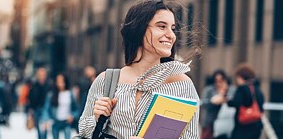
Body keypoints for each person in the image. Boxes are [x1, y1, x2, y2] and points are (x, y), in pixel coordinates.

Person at [78, 0, 201, 138]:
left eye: (172, 29)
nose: (171, 35)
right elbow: (83, 133)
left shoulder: (182, 86)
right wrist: (96, 118)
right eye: (161, 26)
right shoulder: (106, 80)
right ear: (139, 29)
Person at [227, 64, 264, 139]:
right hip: (256, 126)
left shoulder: (242, 88)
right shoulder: (258, 89)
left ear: (240, 77)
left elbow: (235, 102)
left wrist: (227, 100)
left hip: (243, 126)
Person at [41, 73, 79, 139]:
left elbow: (76, 110)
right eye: (58, 82)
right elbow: (46, 109)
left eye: (62, 81)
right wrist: (46, 120)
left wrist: (72, 116)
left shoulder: (70, 94)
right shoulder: (51, 95)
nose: (60, 84)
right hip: (55, 122)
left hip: (66, 122)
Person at [200, 70, 236, 139]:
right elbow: (203, 102)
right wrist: (212, 101)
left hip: (226, 123)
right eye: (217, 80)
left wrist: (224, 93)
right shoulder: (209, 89)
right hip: (210, 121)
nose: (219, 83)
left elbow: (233, 101)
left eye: (221, 80)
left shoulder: (230, 89)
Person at [27, 67, 52, 139]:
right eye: (40, 75)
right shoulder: (34, 85)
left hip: (46, 110)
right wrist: (31, 109)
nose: (41, 76)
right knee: (39, 130)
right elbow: (30, 97)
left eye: (43, 74)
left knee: (44, 130)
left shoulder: (49, 85)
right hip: (36, 109)